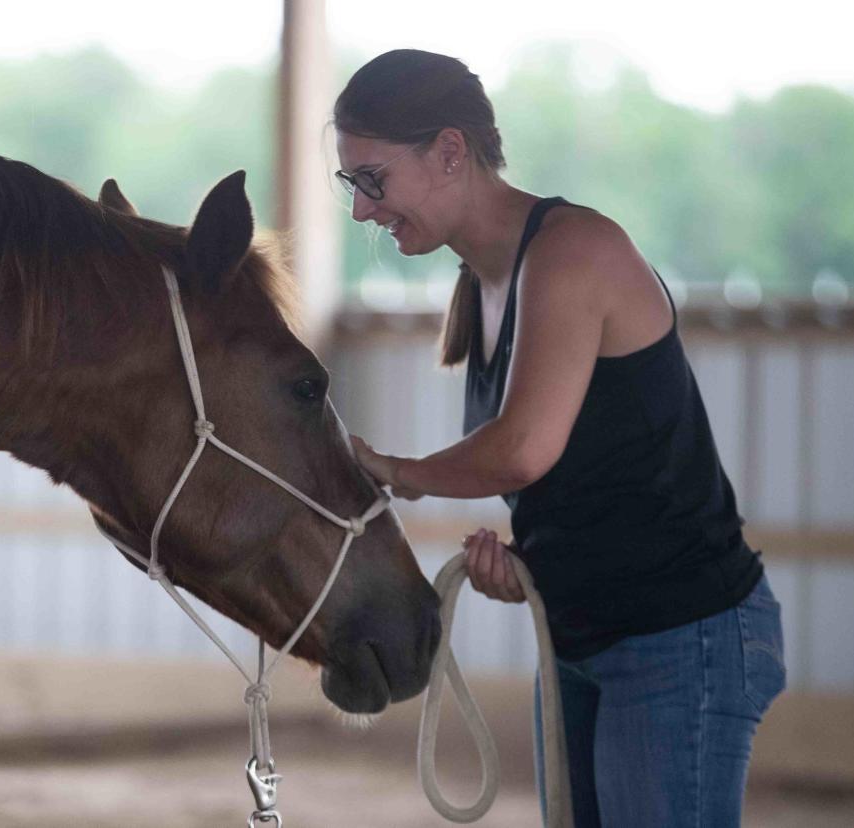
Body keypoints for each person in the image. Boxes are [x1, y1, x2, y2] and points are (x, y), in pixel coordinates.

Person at [336, 49, 786, 827]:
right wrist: (532, 566)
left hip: (681, 637)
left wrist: (391, 470)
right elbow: (587, 478)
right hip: (590, 633)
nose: (362, 211)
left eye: (373, 180)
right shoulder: (483, 283)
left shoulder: (575, 252)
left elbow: (520, 450)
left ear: (449, 151)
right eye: (353, 186)